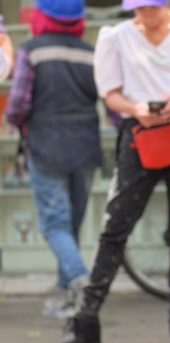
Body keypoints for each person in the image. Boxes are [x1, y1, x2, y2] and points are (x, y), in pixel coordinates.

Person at [57, 0, 170, 343]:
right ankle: (86, 322)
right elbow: (111, 94)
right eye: (139, 8)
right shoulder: (116, 37)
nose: (145, 15)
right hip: (139, 135)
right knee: (115, 225)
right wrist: (136, 110)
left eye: (151, 7)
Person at [5, 0, 98, 319]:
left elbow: (17, 104)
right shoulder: (89, 52)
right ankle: (64, 297)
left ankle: (81, 282)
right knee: (70, 224)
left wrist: (18, 124)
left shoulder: (32, 51)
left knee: (54, 224)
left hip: (46, 145)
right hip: (86, 146)